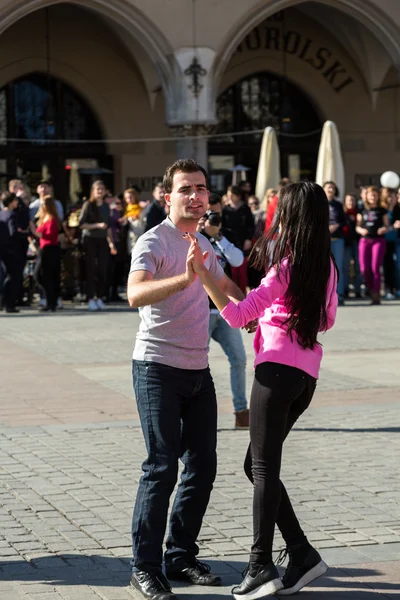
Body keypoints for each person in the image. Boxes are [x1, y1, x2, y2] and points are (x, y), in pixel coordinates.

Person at [186, 181, 338, 598]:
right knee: (256, 463)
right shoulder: (325, 265)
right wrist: (276, 315)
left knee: (263, 468)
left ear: (289, 218)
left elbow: (234, 316)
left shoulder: (284, 267)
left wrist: (202, 275)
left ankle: (260, 565)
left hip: (275, 373)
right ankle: (302, 554)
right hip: (305, 376)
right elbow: (326, 320)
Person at [127, 159, 244, 600]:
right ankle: (144, 566)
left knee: (203, 465)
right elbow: (135, 293)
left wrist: (258, 310)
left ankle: (179, 554)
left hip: (198, 370)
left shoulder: (202, 241)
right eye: (185, 189)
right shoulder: (153, 241)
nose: (195, 196)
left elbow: (223, 284)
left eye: (200, 189)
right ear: (167, 197)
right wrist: (184, 276)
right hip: (157, 368)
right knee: (161, 467)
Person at [198, 194, 249, 429]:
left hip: (224, 310)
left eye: (217, 214)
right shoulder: (192, 233)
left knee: (239, 358)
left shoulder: (225, 233)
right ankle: (194, 415)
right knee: (195, 363)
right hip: (200, 310)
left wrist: (217, 236)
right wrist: (201, 232)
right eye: (209, 213)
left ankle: (241, 411)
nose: (213, 218)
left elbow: (237, 261)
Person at [79, 180, 116, 311]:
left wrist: (111, 243)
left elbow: (108, 228)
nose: (100, 191)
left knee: (102, 269)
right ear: (93, 191)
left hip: (102, 240)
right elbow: (81, 224)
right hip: (90, 239)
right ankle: (90, 298)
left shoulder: (106, 207)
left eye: (102, 189)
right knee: (91, 269)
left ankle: (100, 297)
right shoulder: (88, 205)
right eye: (97, 189)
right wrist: (96, 225)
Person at [356, 186, 389, 305]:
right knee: (364, 268)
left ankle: (376, 294)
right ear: (367, 196)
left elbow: (387, 226)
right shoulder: (362, 209)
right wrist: (361, 230)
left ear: (378, 196)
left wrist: (383, 229)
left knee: (375, 268)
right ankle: (371, 290)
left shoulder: (382, 210)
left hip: (378, 240)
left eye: (375, 195)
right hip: (365, 240)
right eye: (371, 195)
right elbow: (357, 226)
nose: (373, 197)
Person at [30, 196, 61, 312]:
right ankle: (50, 299)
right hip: (43, 248)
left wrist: (34, 231)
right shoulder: (43, 218)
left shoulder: (52, 219)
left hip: (50, 249)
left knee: (46, 275)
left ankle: (51, 302)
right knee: (40, 275)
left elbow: (49, 236)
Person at [222, 185, 254, 293]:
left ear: (238, 195)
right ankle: (234, 293)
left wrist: (248, 239)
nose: (229, 197)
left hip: (242, 240)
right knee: (232, 271)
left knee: (242, 271)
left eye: (231, 195)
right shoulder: (226, 209)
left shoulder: (245, 208)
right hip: (229, 242)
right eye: (228, 195)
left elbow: (250, 225)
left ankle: (243, 293)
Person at [324, 181, 346, 305]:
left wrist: (336, 225)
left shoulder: (338, 205)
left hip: (337, 239)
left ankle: (340, 294)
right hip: (323, 239)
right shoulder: (318, 204)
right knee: (324, 268)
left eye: (332, 187)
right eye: (328, 187)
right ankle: (326, 296)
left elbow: (344, 221)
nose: (330, 189)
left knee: (338, 267)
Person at [0, 192, 21, 313]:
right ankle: (10, 303)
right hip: (12, 250)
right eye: (15, 200)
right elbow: (13, 232)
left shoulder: (1, 214)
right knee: (14, 276)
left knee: (5, 275)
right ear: (11, 202)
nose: (17, 203)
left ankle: (3, 300)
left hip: (2, 250)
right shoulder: (12, 215)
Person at [343, 193, 362, 298]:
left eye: (353, 200)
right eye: (349, 200)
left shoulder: (359, 213)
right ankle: (345, 290)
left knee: (358, 267)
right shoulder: (342, 213)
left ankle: (358, 290)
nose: (351, 202)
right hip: (346, 243)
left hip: (358, 242)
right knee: (345, 267)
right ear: (345, 202)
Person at [124, 187, 145, 254]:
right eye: (127, 198)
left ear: (135, 196)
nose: (129, 199)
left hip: (140, 233)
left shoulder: (140, 207)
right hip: (130, 234)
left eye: (130, 197)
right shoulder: (126, 208)